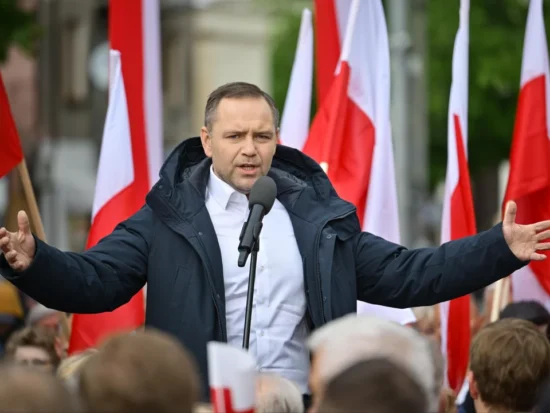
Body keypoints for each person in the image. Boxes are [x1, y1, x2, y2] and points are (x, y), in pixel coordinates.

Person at [0, 82, 548, 400]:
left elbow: (411, 275)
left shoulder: (319, 221)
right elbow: (96, 282)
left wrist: (499, 248)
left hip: (303, 400)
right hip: (202, 403)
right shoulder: (165, 218)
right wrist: (33, 263)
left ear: (277, 140)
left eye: (262, 136)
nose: (250, 148)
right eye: (235, 135)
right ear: (206, 140)